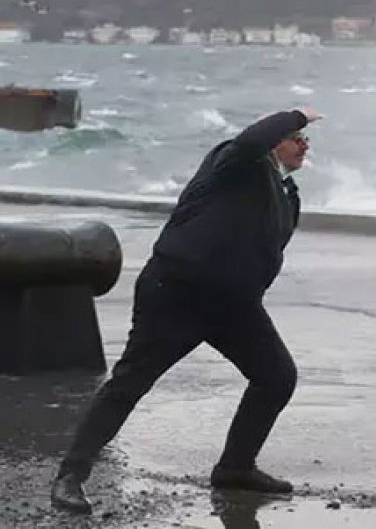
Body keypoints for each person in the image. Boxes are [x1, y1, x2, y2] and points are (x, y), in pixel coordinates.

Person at [51, 107, 323, 514]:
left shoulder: (288, 193)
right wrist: (296, 114)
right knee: (131, 383)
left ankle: (235, 467)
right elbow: (250, 140)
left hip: (233, 305)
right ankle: (70, 476)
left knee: (276, 377)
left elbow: (267, 248)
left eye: (306, 139)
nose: (304, 145)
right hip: (177, 293)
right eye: (295, 137)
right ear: (273, 140)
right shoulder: (235, 161)